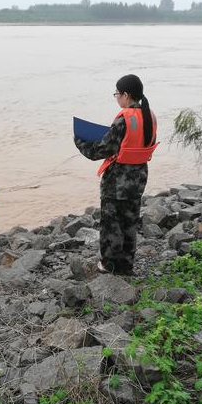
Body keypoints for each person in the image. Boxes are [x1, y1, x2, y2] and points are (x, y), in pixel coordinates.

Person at [74, 74, 157, 275]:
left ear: (126, 95)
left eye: (117, 94)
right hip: (138, 179)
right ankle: (126, 265)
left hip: (117, 181)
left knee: (112, 224)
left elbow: (99, 151)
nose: (117, 98)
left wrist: (80, 140)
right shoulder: (150, 115)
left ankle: (109, 265)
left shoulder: (124, 119)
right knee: (129, 222)